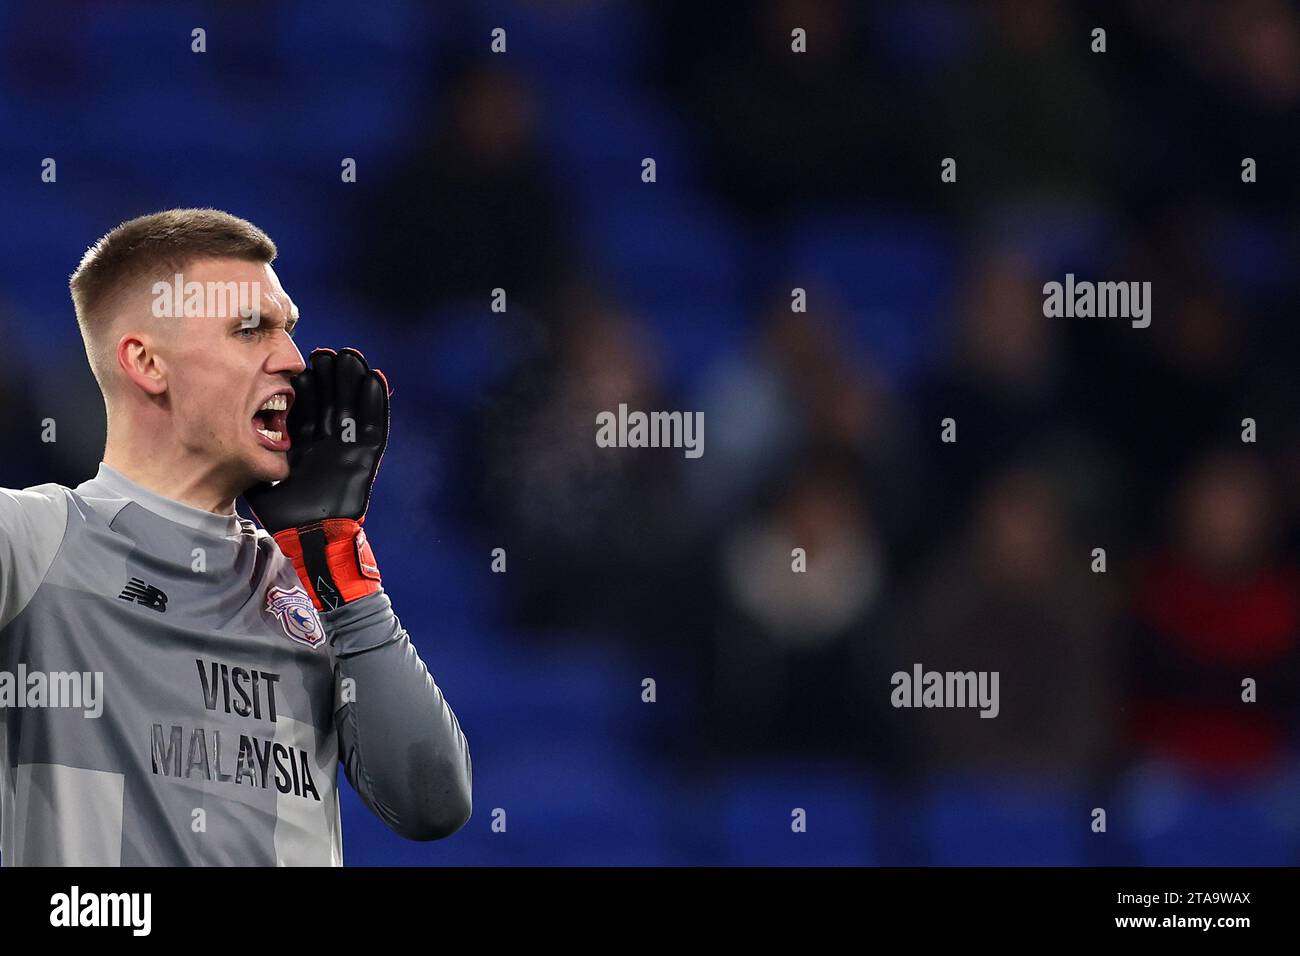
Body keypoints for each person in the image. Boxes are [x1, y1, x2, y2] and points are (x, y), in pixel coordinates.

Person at [0, 208, 471, 865]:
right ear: (147, 363)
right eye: (251, 330)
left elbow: (432, 803)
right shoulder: (35, 538)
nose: (292, 361)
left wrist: (335, 557)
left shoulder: (309, 583)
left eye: (288, 330)